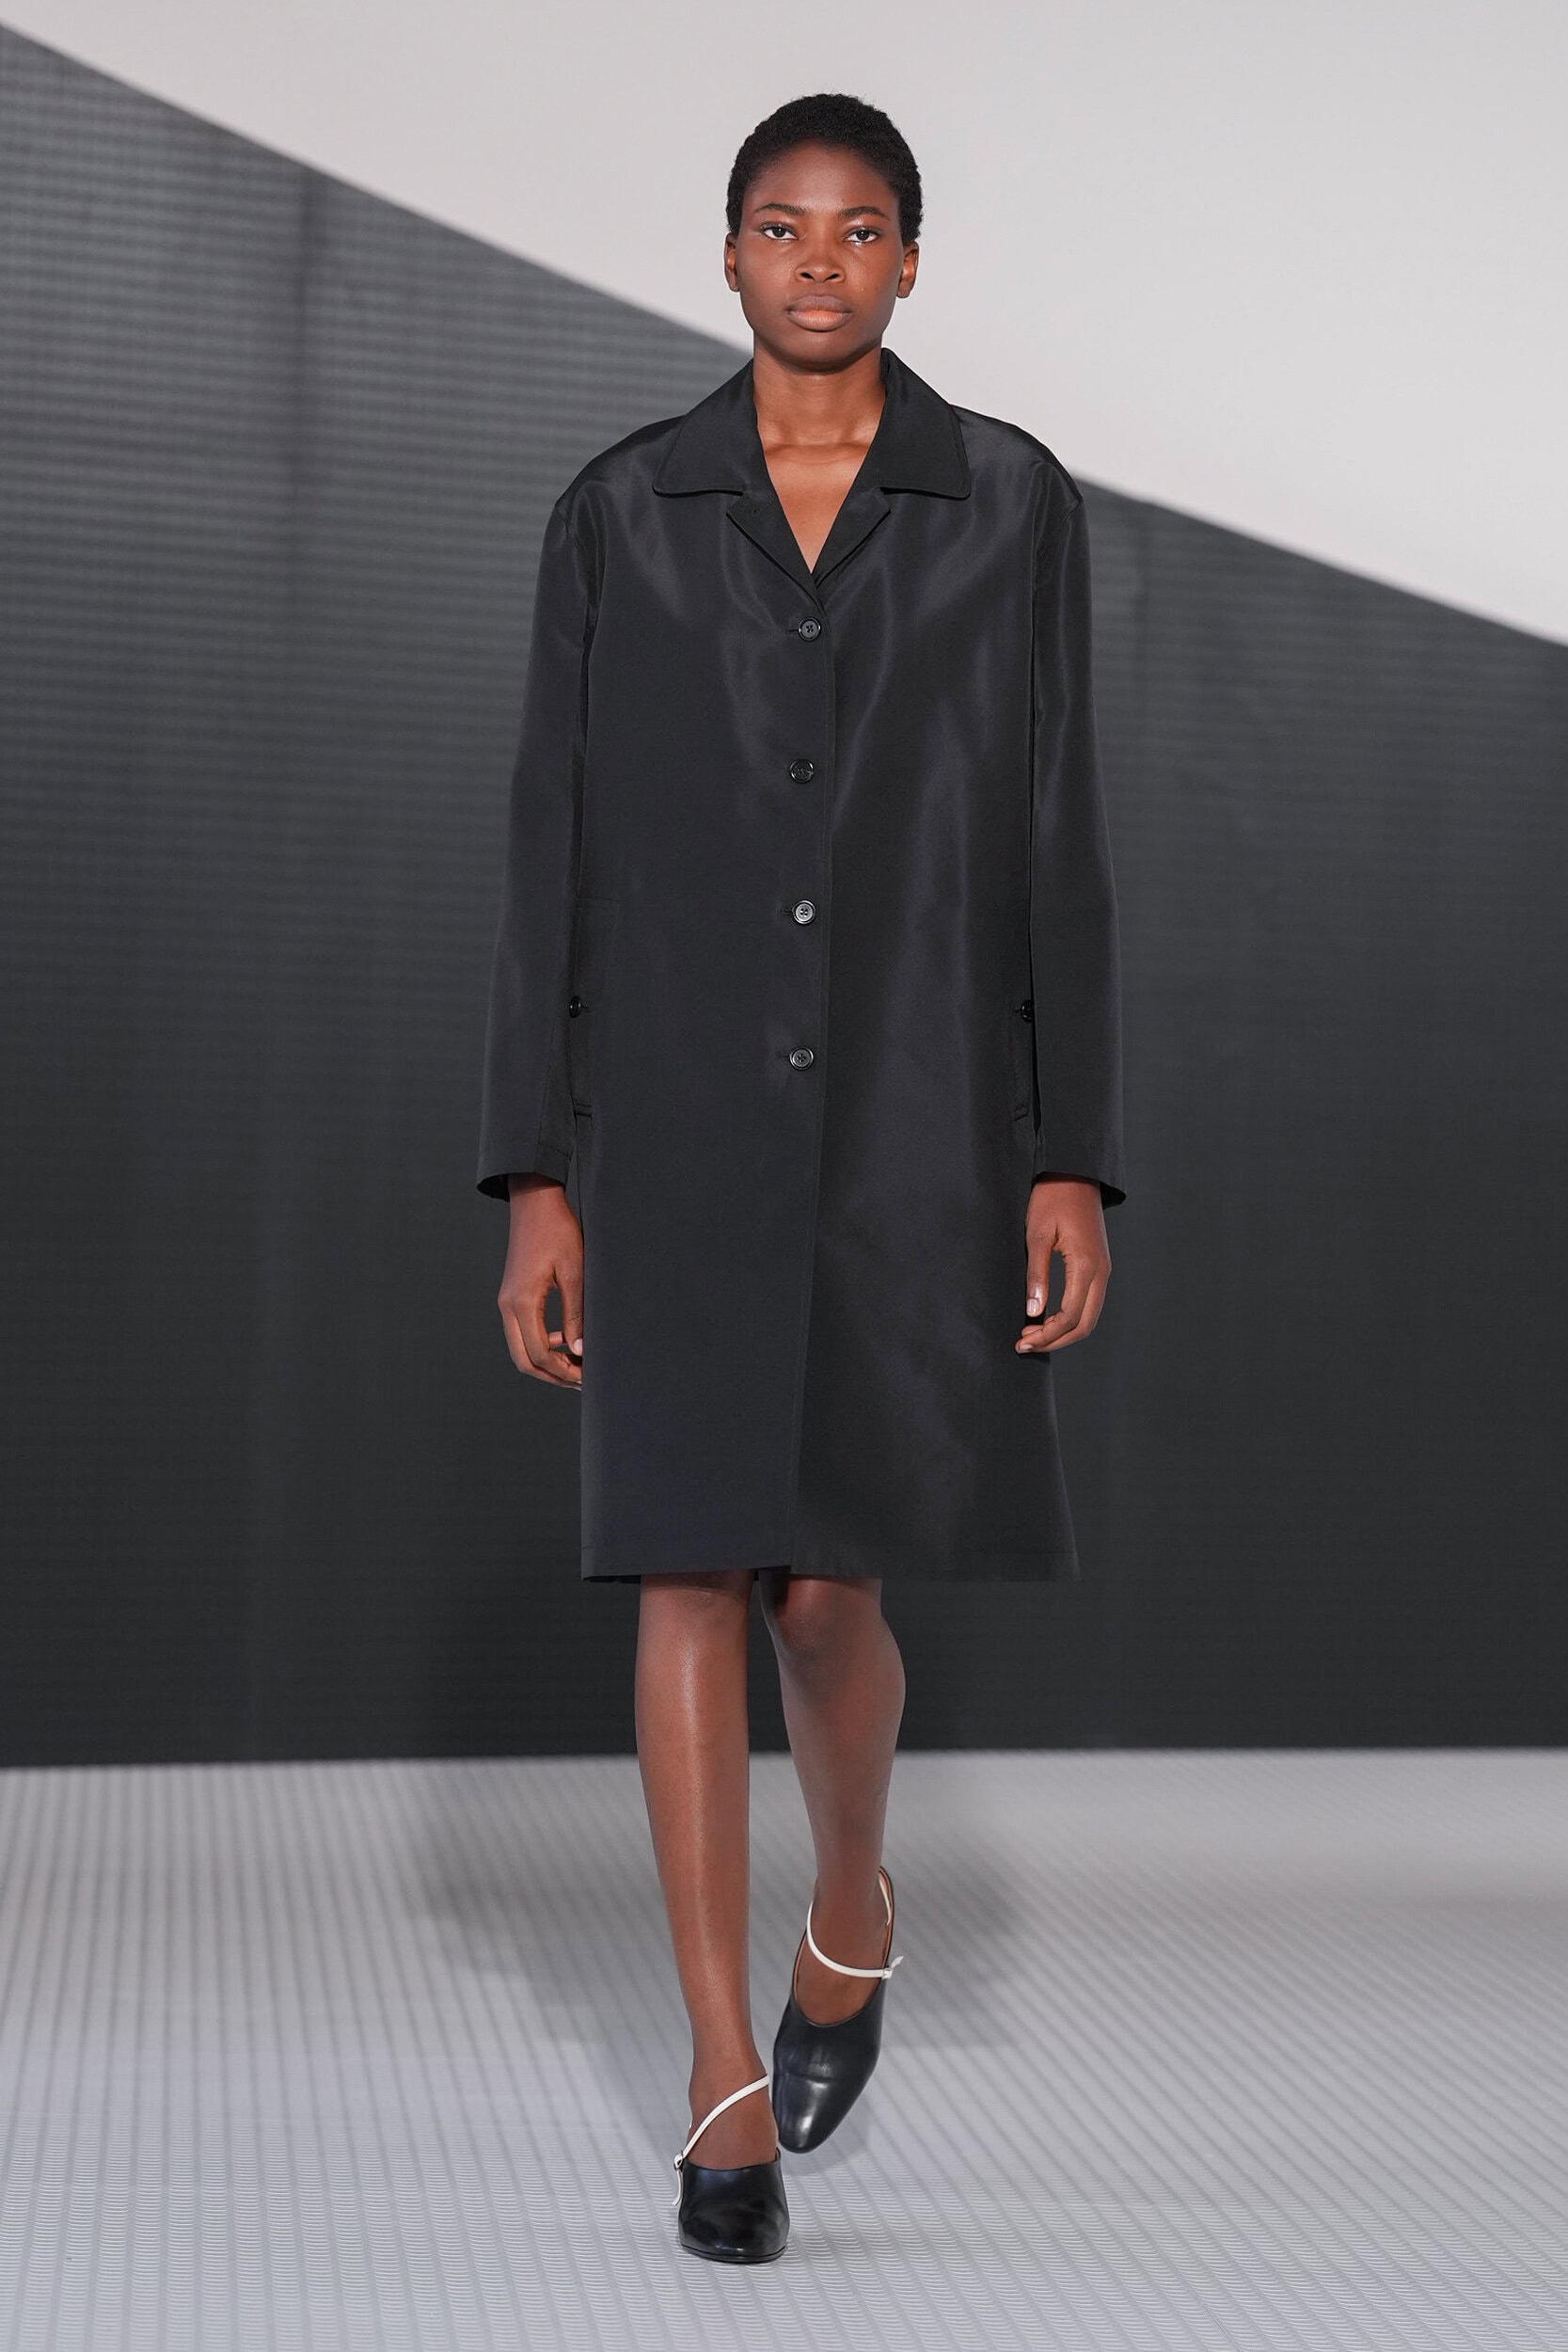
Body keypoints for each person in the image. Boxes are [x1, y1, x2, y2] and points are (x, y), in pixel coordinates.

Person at [476, 91, 1124, 2265]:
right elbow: (551, 851)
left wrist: (1067, 1148)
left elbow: (1057, 834)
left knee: (830, 1592)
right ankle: (717, 2079)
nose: (818, 262)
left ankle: (849, 1904)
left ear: (911, 262)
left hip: (917, 1119)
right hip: (670, 1118)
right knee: (686, 1568)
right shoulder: (622, 512)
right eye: (781, 224)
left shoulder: (1008, 502)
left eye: (859, 231)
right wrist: (537, 1172)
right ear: (730, 252)